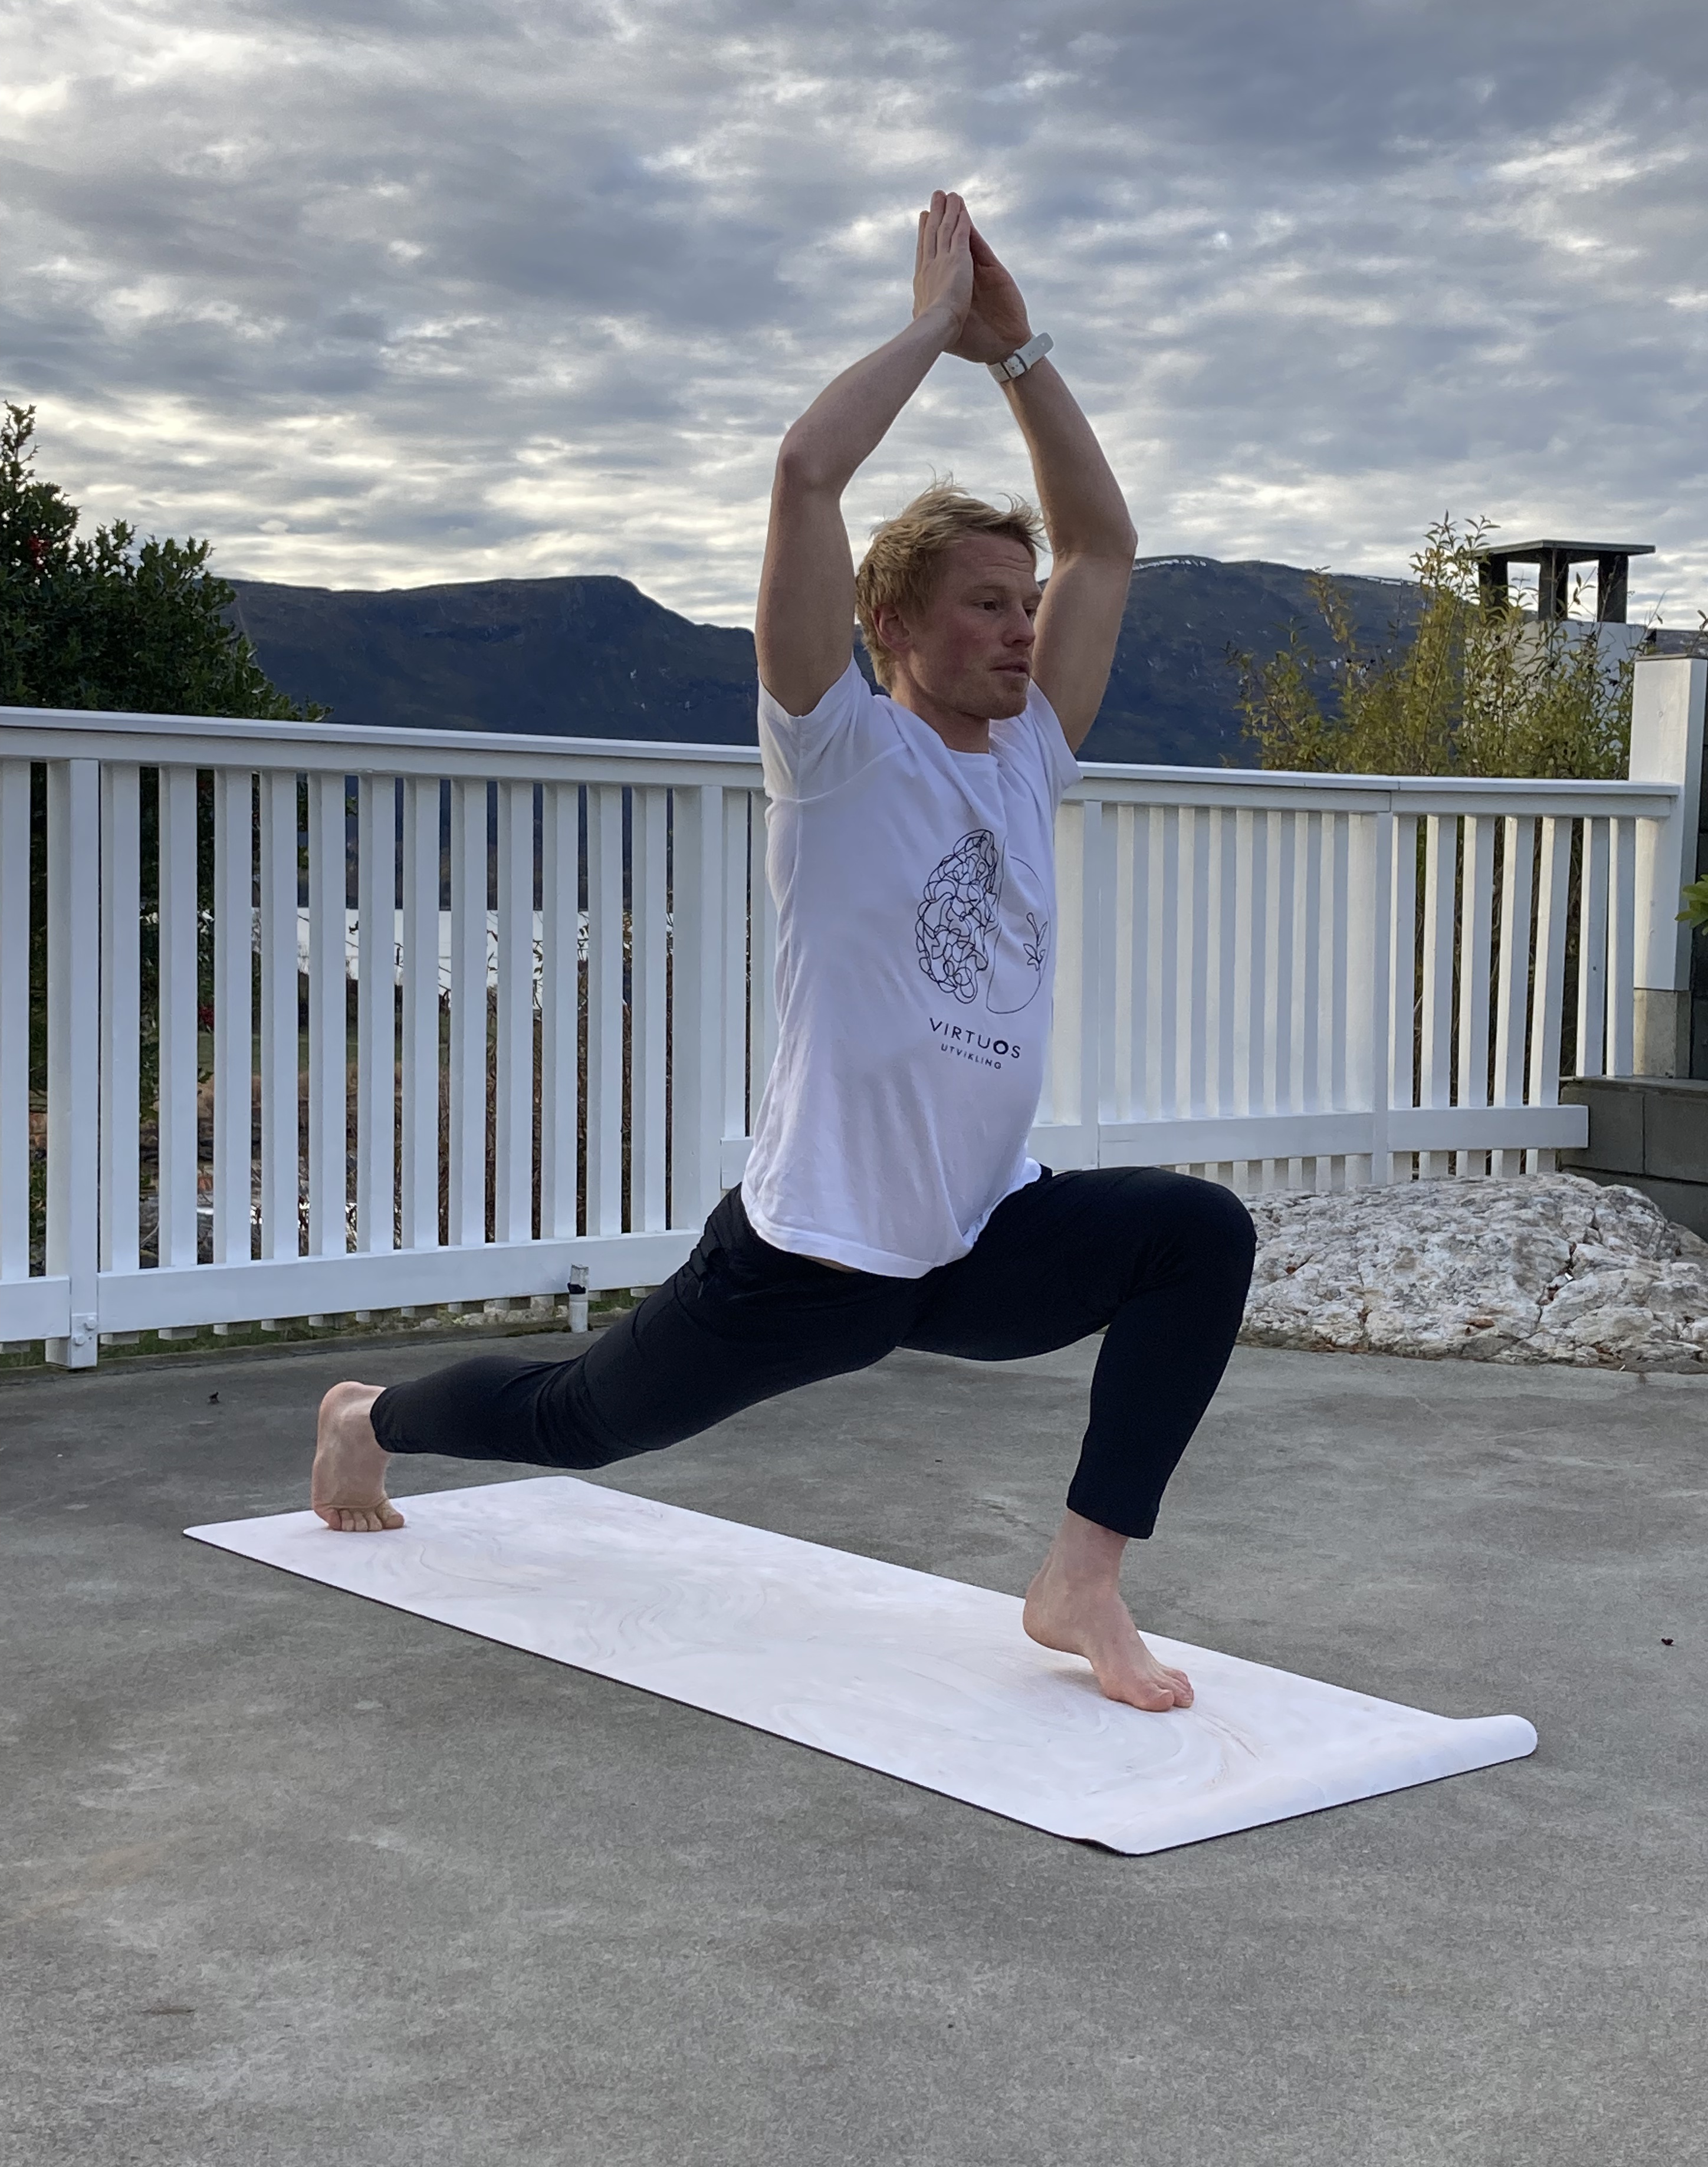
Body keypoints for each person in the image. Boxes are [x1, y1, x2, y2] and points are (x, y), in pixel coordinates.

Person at [310, 191, 1256, 1713]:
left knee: (1198, 1237)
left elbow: (1107, 541)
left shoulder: (1029, 756)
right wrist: (932, 330)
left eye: (1027, 607)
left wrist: (1021, 356)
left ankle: (1082, 1579)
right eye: (987, 606)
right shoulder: (838, 753)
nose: (1024, 630)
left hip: (974, 1242)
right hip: (814, 1255)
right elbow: (807, 472)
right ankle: (370, 1417)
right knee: (577, 1420)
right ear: (892, 621)